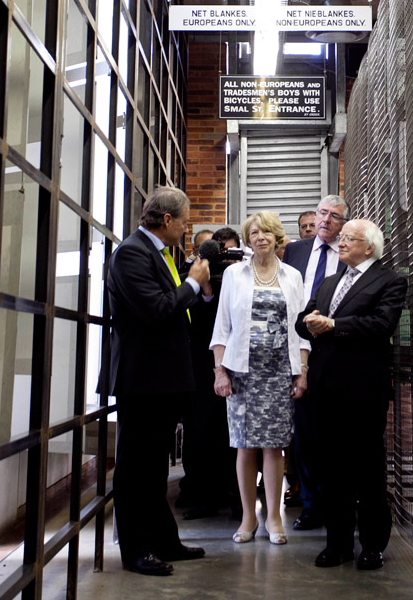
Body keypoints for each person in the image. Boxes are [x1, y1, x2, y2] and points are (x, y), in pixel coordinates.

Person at [106, 186, 212, 577]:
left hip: (162, 380)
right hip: (142, 380)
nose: (186, 229)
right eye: (184, 222)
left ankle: (165, 541)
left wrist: (193, 285)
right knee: (137, 470)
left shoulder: (159, 253)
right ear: (167, 220)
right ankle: (136, 551)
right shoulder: (132, 254)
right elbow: (156, 310)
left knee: (155, 469)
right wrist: (192, 283)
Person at [296, 218, 407, 571]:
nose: (339, 243)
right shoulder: (330, 282)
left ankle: (372, 545)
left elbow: (380, 326)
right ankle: (338, 543)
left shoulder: (390, 281)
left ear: (369, 247)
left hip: (363, 391)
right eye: (341, 238)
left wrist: (334, 325)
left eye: (348, 239)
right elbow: (303, 319)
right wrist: (310, 321)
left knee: (367, 469)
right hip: (326, 389)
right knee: (332, 469)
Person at [210, 211, 310, 545]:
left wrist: (302, 372)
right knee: (244, 445)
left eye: (267, 232)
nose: (260, 237)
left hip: (280, 373)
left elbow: (302, 332)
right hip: (241, 373)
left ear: (277, 237)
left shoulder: (293, 276)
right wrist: (220, 370)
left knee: (274, 448)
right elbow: (222, 327)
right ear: (248, 239)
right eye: (254, 232)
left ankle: (274, 517)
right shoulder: (234, 275)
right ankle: (248, 517)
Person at [283, 195, 349, 529]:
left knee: (336, 435)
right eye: (322, 213)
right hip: (299, 351)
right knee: (304, 433)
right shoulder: (294, 251)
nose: (325, 220)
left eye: (334, 216)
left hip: (337, 352)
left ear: (343, 224)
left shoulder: (350, 253)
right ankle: (310, 505)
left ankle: (338, 504)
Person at [180, 227, 243, 520]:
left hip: (238, 364)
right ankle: (202, 496)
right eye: (219, 253)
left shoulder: (246, 278)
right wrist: (206, 289)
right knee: (200, 431)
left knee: (235, 435)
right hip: (201, 366)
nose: (223, 261)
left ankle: (237, 497)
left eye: (229, 253)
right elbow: (196, 324)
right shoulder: (194, 277)